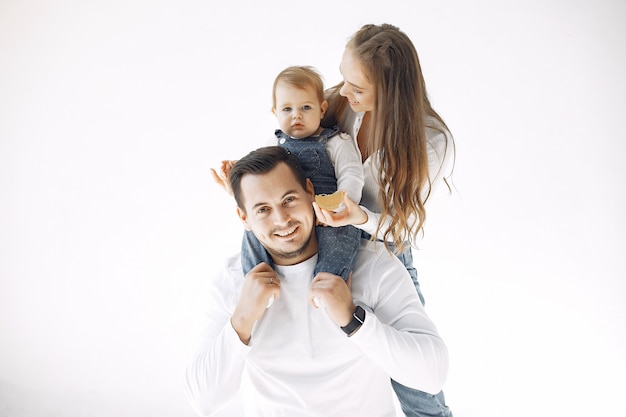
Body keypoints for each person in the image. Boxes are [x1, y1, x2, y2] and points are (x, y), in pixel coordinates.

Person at [185, 146, 449, 416]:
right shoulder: (233, 281)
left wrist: (353, 320)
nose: (282, 219)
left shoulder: (374, 266)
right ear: (245, 218)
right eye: (263, 209)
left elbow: (432, 375)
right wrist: (242, 319)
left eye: (289, 200)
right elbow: (203, 401)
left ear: (310, 192)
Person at [314, 23, 456, 417]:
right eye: (344, 78)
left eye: (357, 88)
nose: (343, 93)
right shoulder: (341, 106)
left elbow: (401, 226)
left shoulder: (430, 142)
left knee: (417, 383)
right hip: (323, 247)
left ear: (392, 92)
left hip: (386, 254)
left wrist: (358, 215)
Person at [215, 65, 364, 281]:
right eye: (287, 109)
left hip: (328, 214)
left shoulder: (336, 142)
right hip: (288, 211)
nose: (296, 116)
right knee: (253, 231)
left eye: (305, 107)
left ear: (322, 109)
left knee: (341, 237)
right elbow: (261, 181)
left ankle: (328, 281)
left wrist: (338, 206)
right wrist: (238, 179)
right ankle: (256, 278)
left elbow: (352, 175)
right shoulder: (274, 143)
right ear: (275, 112)